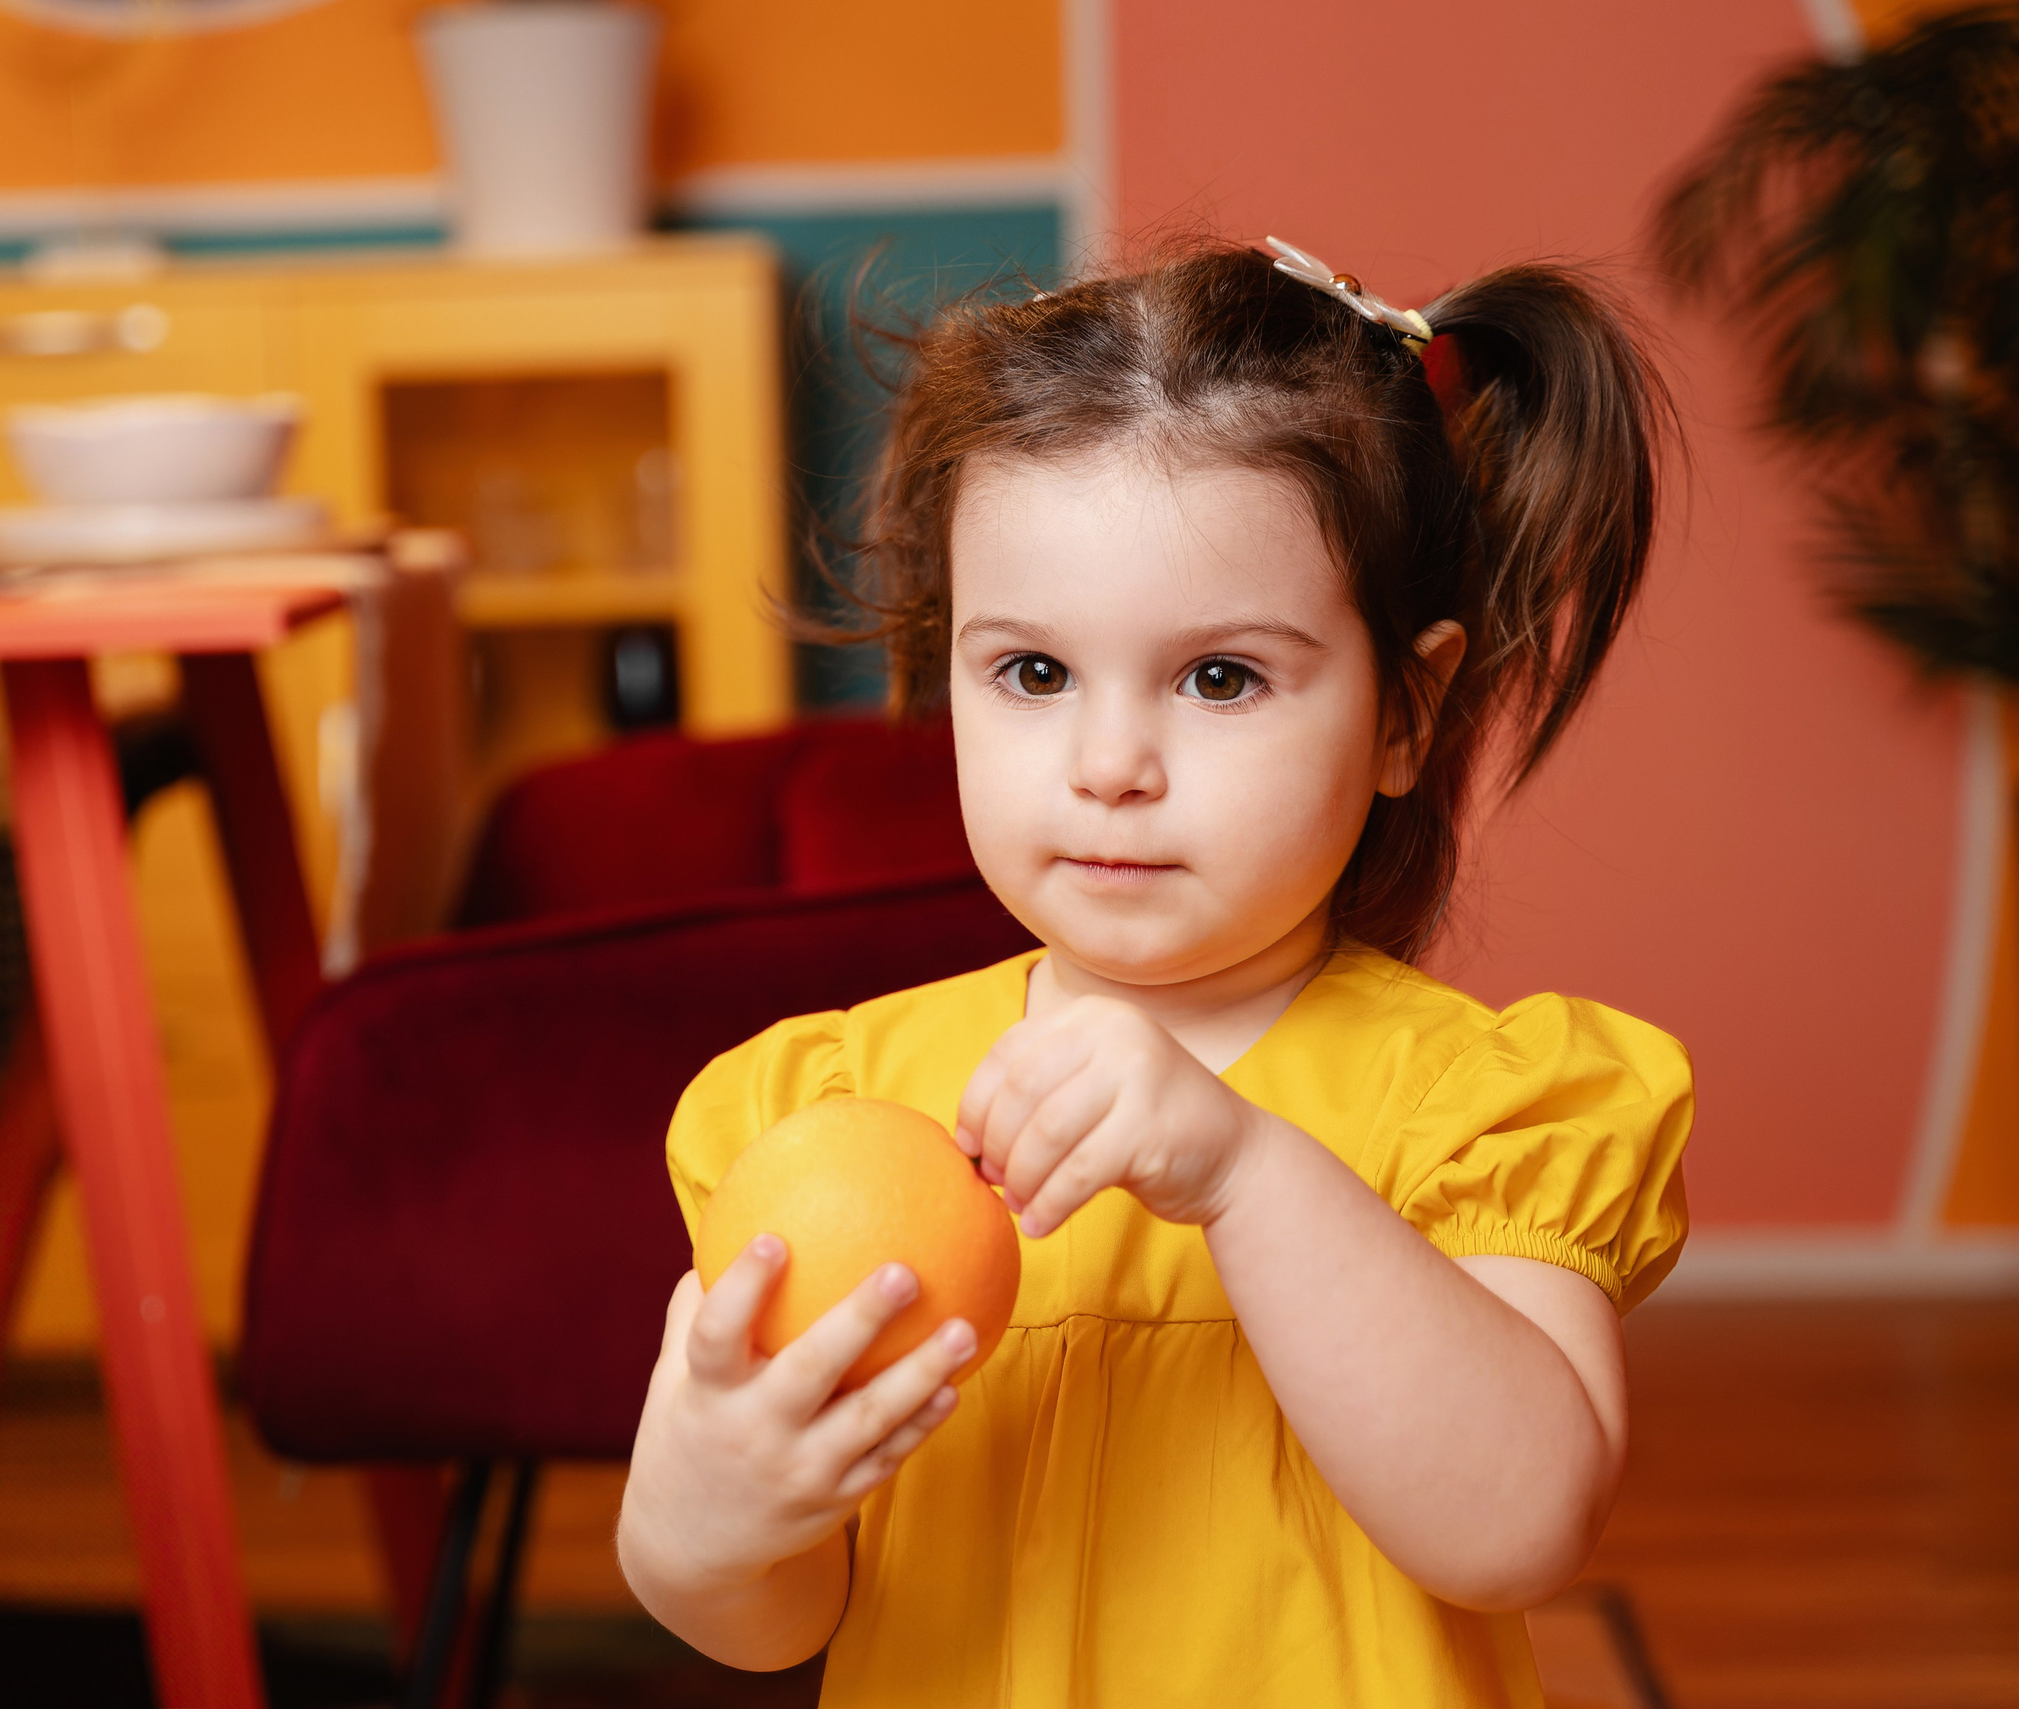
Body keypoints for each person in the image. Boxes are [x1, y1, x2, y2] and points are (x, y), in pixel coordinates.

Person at [614, 236, 1694, 1705]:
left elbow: (1517, 1525)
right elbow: (766, 1618)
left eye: (1220, 676)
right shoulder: (835, 1105)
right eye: (1034, 673)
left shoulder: (1478, 1106)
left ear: (1406, 713)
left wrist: (1246, 1168)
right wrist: (713, 1509)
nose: (1112, 765)